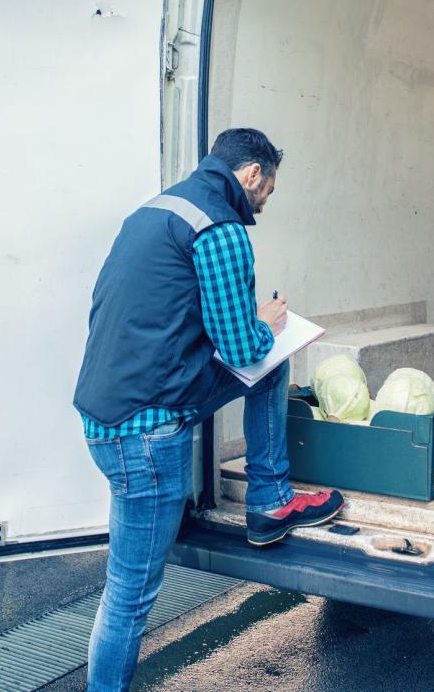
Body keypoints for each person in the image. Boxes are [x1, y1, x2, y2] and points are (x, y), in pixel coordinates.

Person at [73, 128, 344, 691]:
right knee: (127, 597)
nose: (266, 200)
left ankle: (270, 501)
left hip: (109, 415)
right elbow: (243, 348)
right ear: (251, 175)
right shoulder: (218, 228)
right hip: (146, 434)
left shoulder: (158, 209)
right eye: (268, 187)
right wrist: (265, 323)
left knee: (270, 366)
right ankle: (270, 501)